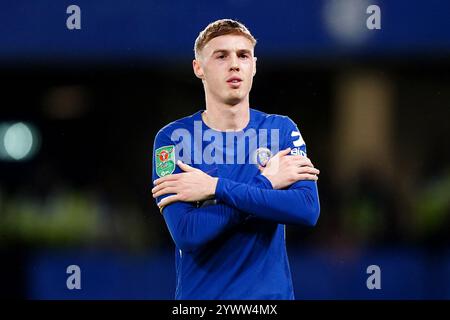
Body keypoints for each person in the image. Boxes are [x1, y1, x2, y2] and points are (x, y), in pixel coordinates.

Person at [151, 19, 320, 299]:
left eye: (243, 55)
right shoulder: (173, 140)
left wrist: (216, 188)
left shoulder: (281, 130)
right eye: (221, 56)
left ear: (254, 65)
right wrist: (266, 183)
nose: (234, 64)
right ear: (198, 68)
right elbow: (188, 233)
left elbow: (306, 209)